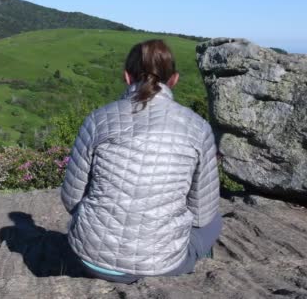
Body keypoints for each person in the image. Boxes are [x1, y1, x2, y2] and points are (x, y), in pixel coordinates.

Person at [60, 39, 222, 284]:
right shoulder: (198, 128)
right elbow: (202, 214)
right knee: (215, 218)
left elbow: (71, 199)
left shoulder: (97, 120)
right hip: (163, 265)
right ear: (174, 79)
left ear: (127, 77)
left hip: (92, 259)